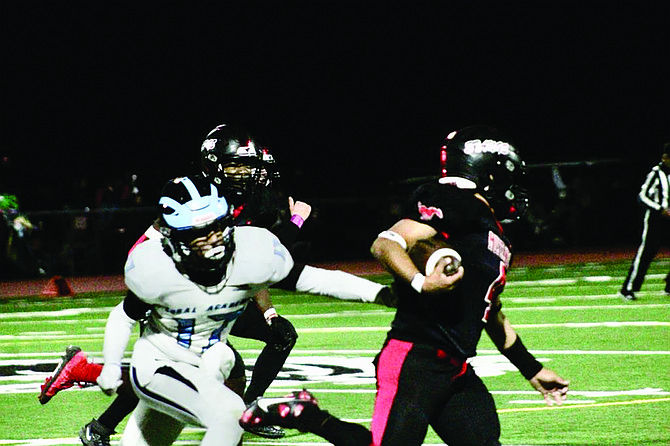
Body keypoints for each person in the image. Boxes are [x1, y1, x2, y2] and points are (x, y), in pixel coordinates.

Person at [39, 124, 395, 444]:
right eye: (236, 165)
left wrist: (381, 294)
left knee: (219, 365)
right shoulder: (193, 200)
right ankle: (102, 403)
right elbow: (148, 265)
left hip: (211, 288)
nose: (245, 173)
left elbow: (267, 263)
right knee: (185, 366)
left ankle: (98, 406)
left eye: (248, 166)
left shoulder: (240, 209)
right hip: (177, 286)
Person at [240, 125, 569, 446]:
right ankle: (313, 417)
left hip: (455, 369)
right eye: (507, 173)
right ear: (490, 174)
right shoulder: (452, 200)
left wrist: (532, 368)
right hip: (414, 358)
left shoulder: (496, 233)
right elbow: (386, 244)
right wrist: (422, 283)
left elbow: (490, 310)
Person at [97, 174, 295, 446]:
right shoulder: (187, 206)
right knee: (176, 370)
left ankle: (102, 422)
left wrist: (268, 311)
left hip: (214, 298)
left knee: (229, 362)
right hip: (182, 301)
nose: (246, 174)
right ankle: (100, 414)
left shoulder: (230, 204)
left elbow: (250, 262)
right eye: (238, 166)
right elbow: (141, 256)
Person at [620, 143, 670, 301]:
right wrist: (659, 208)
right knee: (646, 253)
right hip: (655, 219)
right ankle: (628, 288)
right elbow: (642, 196)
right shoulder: (656, 173)